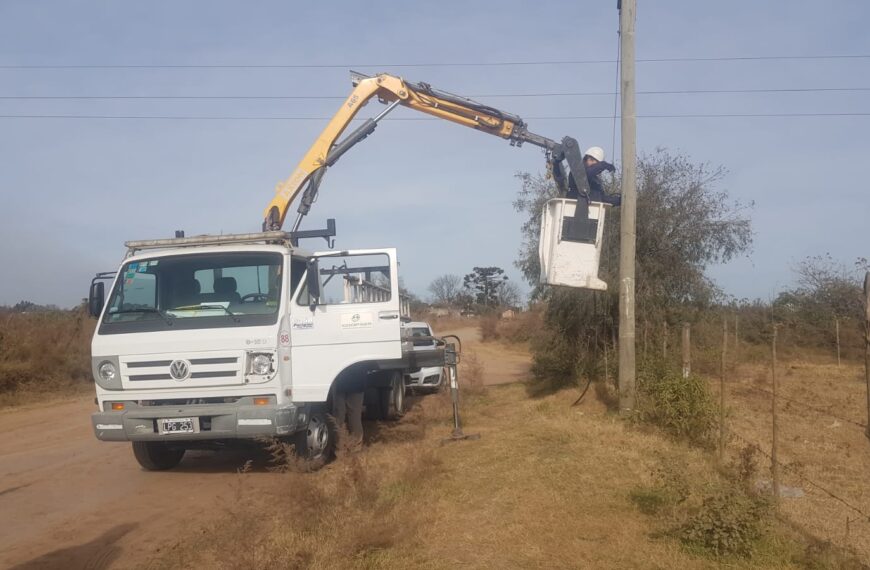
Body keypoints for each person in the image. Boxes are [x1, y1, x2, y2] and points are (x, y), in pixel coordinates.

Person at [332, 372, 366, 451]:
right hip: (358, 381)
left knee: (338, 415)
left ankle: (338, 447)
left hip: (340, 381)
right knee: (354, 415)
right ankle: (356, 447)